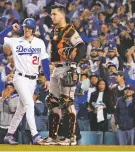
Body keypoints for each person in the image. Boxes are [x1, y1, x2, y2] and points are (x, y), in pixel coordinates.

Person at [0, 18, 50, 145]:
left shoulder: (39, 42)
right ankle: (35, 135)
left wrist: (47, 78)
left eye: (30, 28)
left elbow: (45, 61)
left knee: (21, 110)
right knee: (30, 104)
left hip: (33, 79)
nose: (27, 30)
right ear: (23, 28)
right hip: (19, 78)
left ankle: (9, 134)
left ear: (33, 29)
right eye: (25, 27)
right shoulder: (16, 41)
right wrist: (9, 28)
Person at [42, 3, 86, 145]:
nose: (52, 16)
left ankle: (70, 137)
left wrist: (75, 64)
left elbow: (82, 48)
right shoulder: (54, 30)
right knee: (52, 101)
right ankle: (53, 136)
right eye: (51, 14)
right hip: (56, 68)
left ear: (62, 15)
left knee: (67, 102)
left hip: (68, 67)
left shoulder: (70, 31)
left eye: (54, 14)